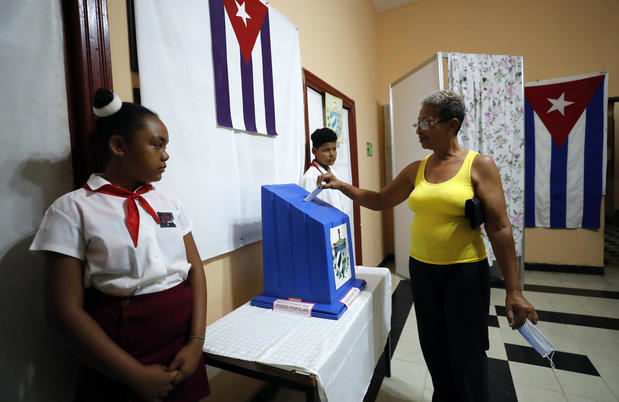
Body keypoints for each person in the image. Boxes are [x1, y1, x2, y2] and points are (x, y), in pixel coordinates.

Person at [317, 90, 538, 402]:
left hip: (465, 274)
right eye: (417, 122)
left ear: (452, 124)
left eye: (427, 121)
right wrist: (343, 187)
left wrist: (514, 289)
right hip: (422, 272)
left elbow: (500, 227)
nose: (419, 128)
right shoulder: (416, 169)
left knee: (467, 351)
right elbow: (381, 200)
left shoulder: (479, 166)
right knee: (434, 347)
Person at [30, 89, 210, 402]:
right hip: (120, 353)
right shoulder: (72, 209)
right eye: (157, 144)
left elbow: (195, 271)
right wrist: (133, 374)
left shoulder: (169, 201)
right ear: (118, 146)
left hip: (181, 340)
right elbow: (63, 311)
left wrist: (196, 342)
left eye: (166, 146)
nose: (165, 155)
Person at [299, 127, 345, 211]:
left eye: (334, 149)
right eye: (326, 150)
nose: (332, 154)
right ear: (314, 151)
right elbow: (309, 210)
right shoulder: (310, 177)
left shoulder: (334, 173)